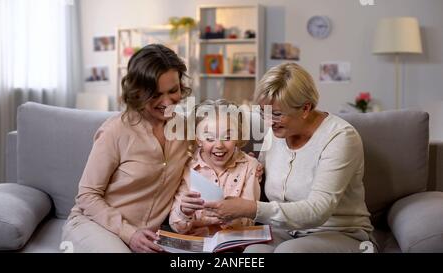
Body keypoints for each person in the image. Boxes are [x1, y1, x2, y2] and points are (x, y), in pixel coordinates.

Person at [203, 63, 375, 253]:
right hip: (286, 232)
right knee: (253, 252)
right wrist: (249, 167)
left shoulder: (341, 138)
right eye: (264, 112)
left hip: (339, 232)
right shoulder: (276, 131)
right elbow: (254, 173)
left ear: (305, 109)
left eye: (276, 114)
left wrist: (251, 208)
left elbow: (318, 210)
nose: (268, 121)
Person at [61, 44, 192, 253]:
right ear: (138, 92)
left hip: (148, 238)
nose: (167, 102)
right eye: (156, 94)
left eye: (173, 90)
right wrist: (129, 234)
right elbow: (87, 196)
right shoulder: (115, 131)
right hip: (96, 226)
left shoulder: (186, 129)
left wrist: (243, 161)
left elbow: (212, 153)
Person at [169, 99, 262, 236]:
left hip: (233, 245)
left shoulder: (250, 166)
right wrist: (184, 211)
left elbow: (248, 221)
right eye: (210, 139)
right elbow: (177, 226)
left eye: (228, 137)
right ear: (198, 139)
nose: (219, 145)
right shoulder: (187, 167)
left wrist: (211, 228)